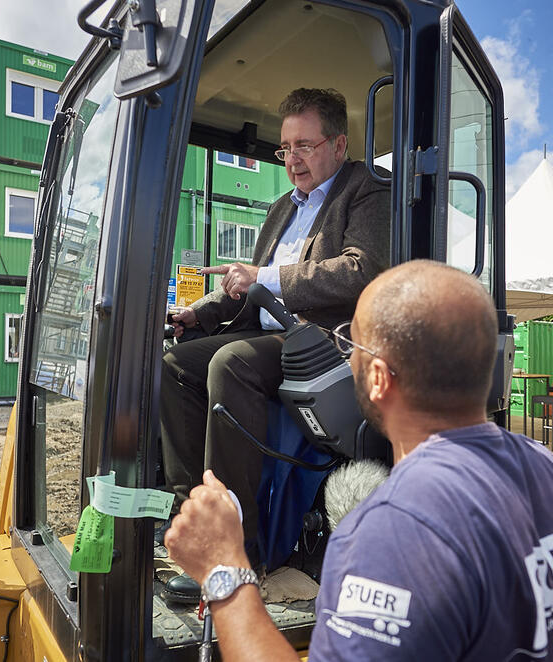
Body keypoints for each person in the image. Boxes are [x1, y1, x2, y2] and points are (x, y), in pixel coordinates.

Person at [165, 261, 553, 661]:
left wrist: (225, 571)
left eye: (350, 344)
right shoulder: (550, 476)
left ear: (378, 377)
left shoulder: (389, 530)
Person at [159, 88, 390, 586]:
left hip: (320, 341)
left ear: (339, 144)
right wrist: (195, 315)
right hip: (267, 331)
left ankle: (239, 547)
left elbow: (360, 269)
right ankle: (193, 518)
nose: (292, 160)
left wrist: (266, 275)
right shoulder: (282, 207)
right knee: (173, 365)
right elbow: (243, 282)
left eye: (304, 145)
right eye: (285, 149)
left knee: (231, 363)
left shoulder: (367, 189)